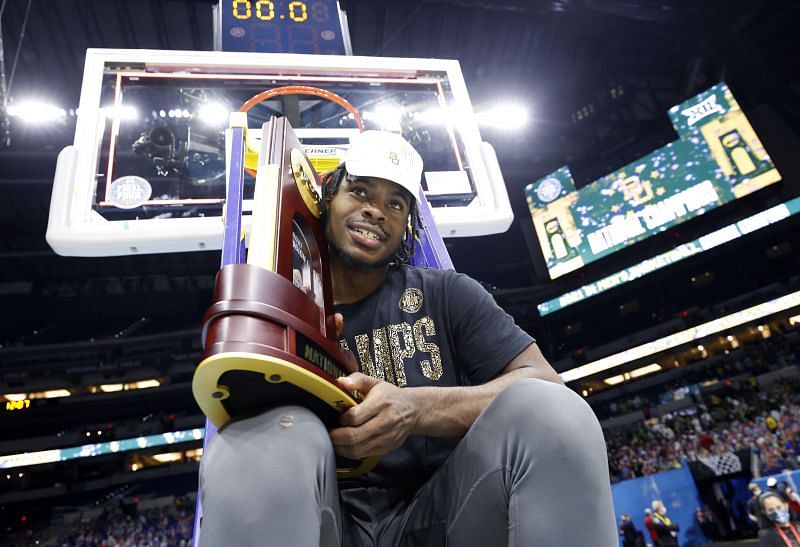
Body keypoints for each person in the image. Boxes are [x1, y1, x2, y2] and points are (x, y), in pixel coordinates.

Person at [197, 130, 617, 545]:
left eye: (394, 204)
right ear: (329, 198)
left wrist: (416, 408)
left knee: (550, 409)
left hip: (445, 515)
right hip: (324, 523)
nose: (376, 211)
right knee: (251, 442)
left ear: (406, 226)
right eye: (360, 192)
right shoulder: (286, 306)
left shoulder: (447, 293)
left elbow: (545, 381)